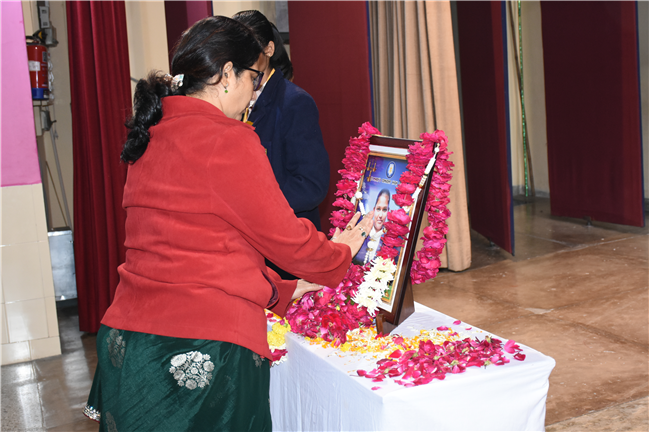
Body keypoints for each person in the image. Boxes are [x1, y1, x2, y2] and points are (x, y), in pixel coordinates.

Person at [83, 16, 372, 432]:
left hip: (129, 341)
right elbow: (286, 239)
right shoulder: (227, 138)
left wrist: (283, 288)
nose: (255, 91)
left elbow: (191, 246)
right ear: (226, 74)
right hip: (200, 343)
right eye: (254, 78)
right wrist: (340, 254)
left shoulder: (152, 133)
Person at [233, 10, 330, 280]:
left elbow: (311, 185)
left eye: (249, 48)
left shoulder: (294, 102)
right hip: (246, 248)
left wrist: (254, 207)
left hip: (288, 247)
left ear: (269, 49)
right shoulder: (231, 101)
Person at [353, 189, 391, 265]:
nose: (380, 215)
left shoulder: (390, 240)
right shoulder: (360, 231)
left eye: (384, 210)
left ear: (388, 212)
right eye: (378, 209)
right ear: (374, 210)